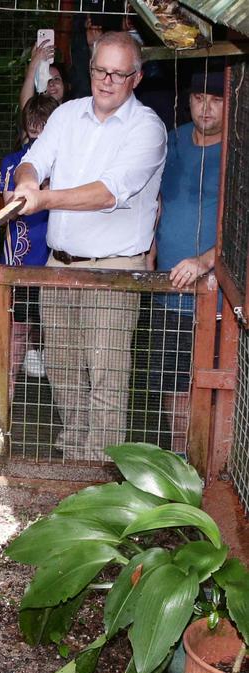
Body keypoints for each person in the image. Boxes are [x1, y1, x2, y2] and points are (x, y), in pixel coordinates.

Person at [9, 31, 167, 462]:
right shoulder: (67, 115)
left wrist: (45, 199)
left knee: (106, 376)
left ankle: (96, 468)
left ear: (135, 77)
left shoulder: (147, 128)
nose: (107, 80)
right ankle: (74, 454)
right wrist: (27, 179)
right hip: (58, 265)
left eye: (119, 73)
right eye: (100, 70)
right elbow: (35, 157)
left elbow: (109, 193)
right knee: (62, 372)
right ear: (91, 68)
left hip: (114, 269)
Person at [150, 68, 224, 453]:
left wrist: (206, 260)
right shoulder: (174, 141)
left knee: (211, 384)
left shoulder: (238, 150)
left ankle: (212, 464)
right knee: (171, 382)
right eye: (199, 99)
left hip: (214, 296)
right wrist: (149, 253)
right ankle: (180, 460)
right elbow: (158, 203)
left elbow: (241, 228)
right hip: (168, 290)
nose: (206, 109)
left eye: (215, 100)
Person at [0, 94, 59, 395]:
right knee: (17, 330)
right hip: (19, 262)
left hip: (55, 261)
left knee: (55, 329)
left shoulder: (67, 162)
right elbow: (12, 201)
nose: (36, 125)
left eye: (43, 120)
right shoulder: (14, 162)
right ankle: (5, 393)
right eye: (32, 119)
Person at [19, 40, 68, 110]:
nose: (52, 84)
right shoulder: (39, 113)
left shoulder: (72, 110)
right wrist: (34, 63)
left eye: (56, 79)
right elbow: (26, 107)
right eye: (47, 80)